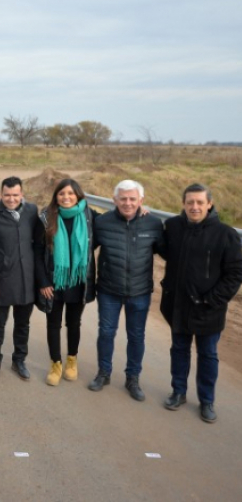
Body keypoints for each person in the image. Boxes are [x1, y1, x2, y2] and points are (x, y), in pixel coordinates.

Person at [160, 183, 242, 423]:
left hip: (209, 308)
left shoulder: (226, 234)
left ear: (209, 204)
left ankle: (207, 401)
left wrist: (213, 300)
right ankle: (178, 392)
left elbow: (235, 273)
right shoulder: (173, 227)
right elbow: (162, 249)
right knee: (179, 350)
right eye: (189, 202)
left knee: (207, 355)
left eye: (199, 202)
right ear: (183, 204)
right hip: (178, 304)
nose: (194, 207)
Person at [88, 180, 164, 401]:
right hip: (108, 290)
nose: (128, 203)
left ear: (141, 200)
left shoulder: (153, 224)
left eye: (132, 199)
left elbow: (169, 252)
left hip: (139, 292)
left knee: (136, 336)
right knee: (106, 333)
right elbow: (84, 247)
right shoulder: (102, 222)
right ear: (114, 200)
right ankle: (103, 373)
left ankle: (133, 378)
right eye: (123, 198)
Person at [34, 178, 96, 386]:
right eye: (61, 194)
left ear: (78, 195)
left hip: (78, 280)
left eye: (70, 193)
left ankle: (72, 360)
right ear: (56, 196)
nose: (66, 197)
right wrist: (43, 282)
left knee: (74, 323)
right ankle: (55, 364)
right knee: (53, 324)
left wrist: (142, 211)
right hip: (53, 281)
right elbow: (37, 252)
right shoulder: (45, 218)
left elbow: (115, 220)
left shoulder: (89, 216)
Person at [0, 176, 38, 381]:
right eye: (7, 195)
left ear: (22, 194)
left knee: (23, 324)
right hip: (2, 280)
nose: (11, 199)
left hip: (27, 280)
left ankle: (19, 361)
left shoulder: (32, 211)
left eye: (15, 195)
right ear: (1, 194)